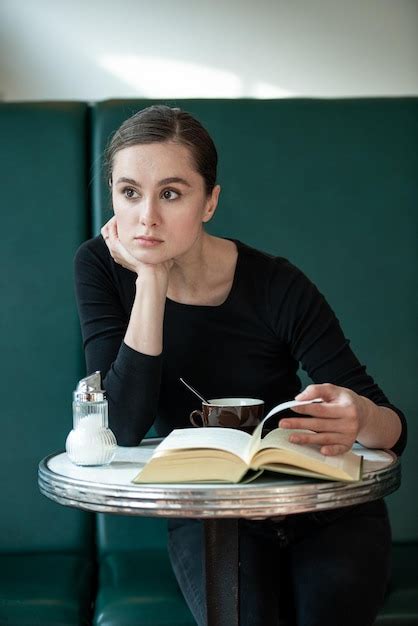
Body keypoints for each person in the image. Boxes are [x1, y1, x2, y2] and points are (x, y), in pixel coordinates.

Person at [74, 104, 406, 626]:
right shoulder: (100, 266)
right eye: (130, 192)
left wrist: (361, 415)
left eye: (172, 193)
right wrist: (152, 281)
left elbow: (392, 429)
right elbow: (120, 425)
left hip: (319, 506)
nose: (147, 218)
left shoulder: (276, 283)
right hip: (208, 514)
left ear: (210, 202)